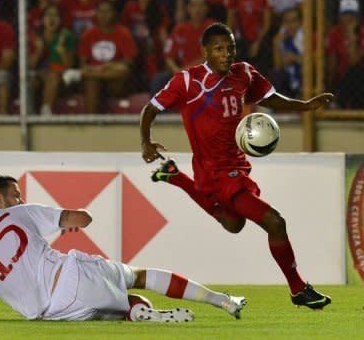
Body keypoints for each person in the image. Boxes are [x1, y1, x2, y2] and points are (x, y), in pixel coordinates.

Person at [0, 175, 246, 322]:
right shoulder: (22, 213)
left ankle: (142, 315)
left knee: (113, 312)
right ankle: (223, 301)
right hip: (73, 273)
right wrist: (70, 224)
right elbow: (82, 217)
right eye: (14, 193)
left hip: (53, 311)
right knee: (138, 275)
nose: (20, 197)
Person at [140, 23, 333, 310]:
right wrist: (146, 142)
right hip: (213, 172)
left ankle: (176, 177)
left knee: (233, 224)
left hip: (237, 167)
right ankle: (298, 289)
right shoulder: (188, 81)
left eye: (230, 48)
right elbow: (150, 108)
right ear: (204, 51)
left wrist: (304, 106)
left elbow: (270, 98)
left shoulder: (243, 73)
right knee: (275, 222)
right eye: (219, 48)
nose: (227, 54)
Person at [63, 0, 138, 114]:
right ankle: (92, 123)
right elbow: (83, 63)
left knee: (123, 70)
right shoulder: (88, 34)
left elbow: (129, 62)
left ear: (114, 14)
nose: (104, 15)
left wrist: (107, 66)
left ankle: (82, 74)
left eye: (107, 12)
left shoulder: (123, 33)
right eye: (101, 12)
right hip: (93, 79)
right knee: (92, 82)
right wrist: (97, 71)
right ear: (96, 14)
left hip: (114, 79)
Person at [150, 0, 215, 97]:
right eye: (193, 6)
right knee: (159, 79)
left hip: (205, 72)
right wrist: (176, 70)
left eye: (201, 5)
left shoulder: (213, 28)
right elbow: (168, 56)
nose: (197, 9)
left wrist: (187, 70)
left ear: (206, 9)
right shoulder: (179, 29)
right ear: (188, 9)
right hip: (181, 72)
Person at [121, 0, 170, 87]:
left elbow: (163, 32)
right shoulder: (130, 7)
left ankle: (153, 85)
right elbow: (123, 30)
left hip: (152, 44)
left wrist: (167, 51)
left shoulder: (159, 9)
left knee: (150, 51)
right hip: (132, 43)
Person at [29, 5, 76, 115]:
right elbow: (29, 66)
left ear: (60, 20)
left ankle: (46, 111)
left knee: (53, 75)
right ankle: (29, 113)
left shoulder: (66, 36)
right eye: (48, 15)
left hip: (61, 75)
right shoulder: (34, 36)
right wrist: (39, 50)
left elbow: (70, 66)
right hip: (39, 74)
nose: (52, 18)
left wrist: (61, 49)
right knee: (30, 81)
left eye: (55, 15)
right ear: (42, 20)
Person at [225, 0, 272, 68]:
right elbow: (230, 21)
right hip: (240, 40)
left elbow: (267, 23)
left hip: (260, 39)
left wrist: (257, 43)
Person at [326, 0, 364, 109]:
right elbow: (332, 65)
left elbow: (354, 60)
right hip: (341, 77)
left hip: (360, 77)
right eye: (345, 14)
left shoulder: (362, 32)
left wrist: (352, 36)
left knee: (355, 71)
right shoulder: (335, 33)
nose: (349, 17)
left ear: (358, 16)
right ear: (339, 16)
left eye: (352, 14)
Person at [271, 7, 303, 99]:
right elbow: (278, 67)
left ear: (300, 23)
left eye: (294, 21)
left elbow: (315, 61)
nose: (290, 25)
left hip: (303, 78)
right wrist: (276, 44)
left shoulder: (307, 37)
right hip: (288, 80)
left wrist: (296, 58)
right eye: (287, 22)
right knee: (276, 74)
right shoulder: (281, 39)